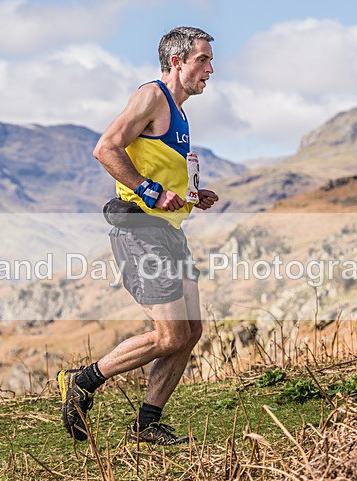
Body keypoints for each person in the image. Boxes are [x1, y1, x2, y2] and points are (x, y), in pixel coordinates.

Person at [58, 26, 219, 445]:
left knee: (191, 332)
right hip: (139, 228)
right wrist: (150, 191)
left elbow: (158, 169)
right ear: (176, 62)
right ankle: (83, 381)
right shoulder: (152, 97)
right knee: (169, 335)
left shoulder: (180, 112)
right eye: (202, 60)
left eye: (209, 60)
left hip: (169, 229)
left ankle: (147, 423)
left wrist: (190, 196)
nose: (210, 69)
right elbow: (106, 148)